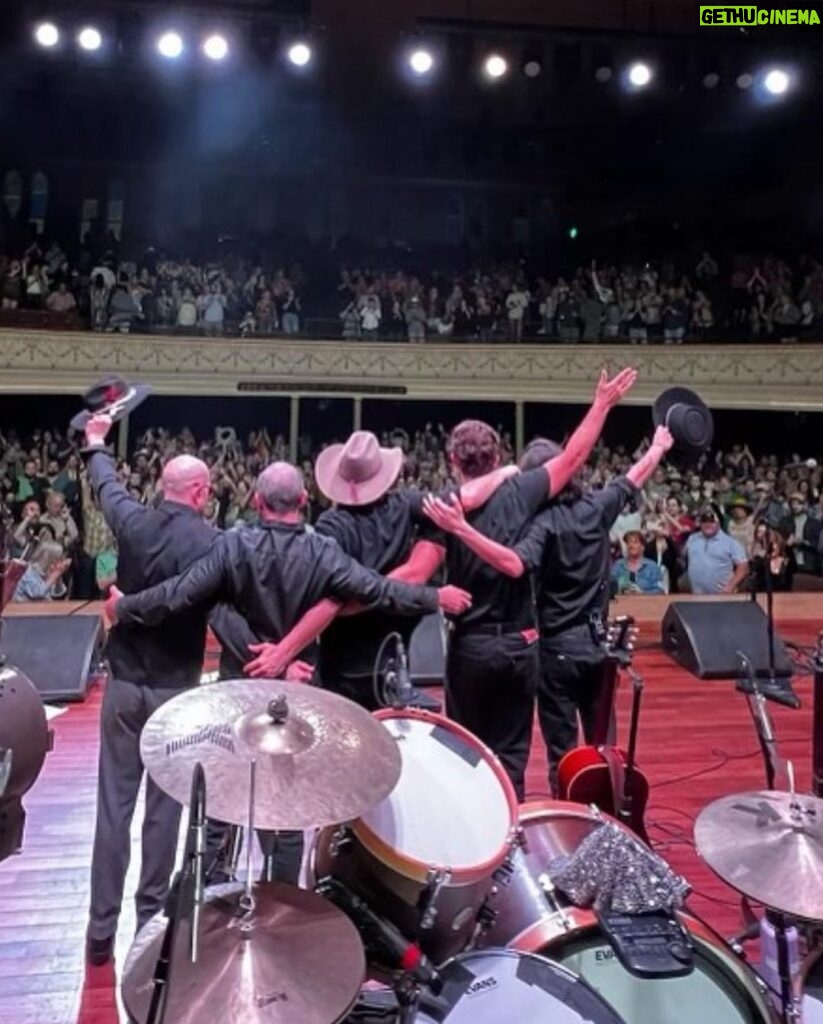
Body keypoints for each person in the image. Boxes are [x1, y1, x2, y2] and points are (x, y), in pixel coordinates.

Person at [105, 462, 472, 884]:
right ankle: (281, 906)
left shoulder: (230, 546)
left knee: (221, 799)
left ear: (256, 502)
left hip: (235, 692)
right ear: (303, 500)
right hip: (296, 695)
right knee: (287, 809)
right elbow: (379, 590)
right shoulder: (324, 553)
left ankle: (206, 901)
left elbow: (178, 597)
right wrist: (432, 595)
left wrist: (124, 607)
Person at [424, 368, 638, 800]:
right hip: (521, 646)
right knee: (512, 757)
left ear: (451, 460)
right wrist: (600, 405)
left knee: (465, 751)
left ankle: (472, 842)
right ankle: (509, 841)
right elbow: (574, 457)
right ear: (499, 452)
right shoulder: (524, 492)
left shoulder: (444, 505)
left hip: (471, 645)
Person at [243, 431, 516, 710]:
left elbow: (335, 602)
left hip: (344, 661)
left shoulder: (331, 525)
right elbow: (465, 497)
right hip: (393, 655)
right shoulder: (406, 505)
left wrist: (349, 603)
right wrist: (506, 470)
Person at [83, 414, 217, 968]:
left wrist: (96, 442)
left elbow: (107, 487)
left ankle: (98, 933)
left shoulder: (134, 522)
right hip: (175, 696)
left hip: (124, 687)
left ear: (164, 486)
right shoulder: (213, 543)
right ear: (202, 492)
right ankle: (149, 923)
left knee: (113, 811)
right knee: (163, 813)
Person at [684, 506, 749, 594]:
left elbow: (743, 566)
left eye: (711, 522)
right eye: (704, 521)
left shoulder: (730, 543)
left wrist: (731, 585)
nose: (708, 525)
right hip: (696, 595)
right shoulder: (692, 539)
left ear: (718, 523)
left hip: (722, 596)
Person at [611, 530, 666, 595]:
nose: (631, 545)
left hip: (646, 603)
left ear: (642, 547)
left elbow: (660, 591)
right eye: (628, 543)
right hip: (621, 603)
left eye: (635, 542)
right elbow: (609, 588)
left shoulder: (652, 567)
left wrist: (642, 593)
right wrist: (621, 591)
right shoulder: (617, 565)